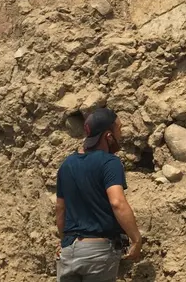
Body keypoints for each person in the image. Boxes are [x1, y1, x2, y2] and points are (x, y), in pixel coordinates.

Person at [55, 107, 143, 281]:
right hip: (98, 253)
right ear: (108, 136)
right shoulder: (110, 163)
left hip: (69, 252)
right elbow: (117, 202)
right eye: (119, 131)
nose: (120, 137)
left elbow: (60, 209)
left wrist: (63, 241)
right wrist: (136, 239)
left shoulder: (67, 165)